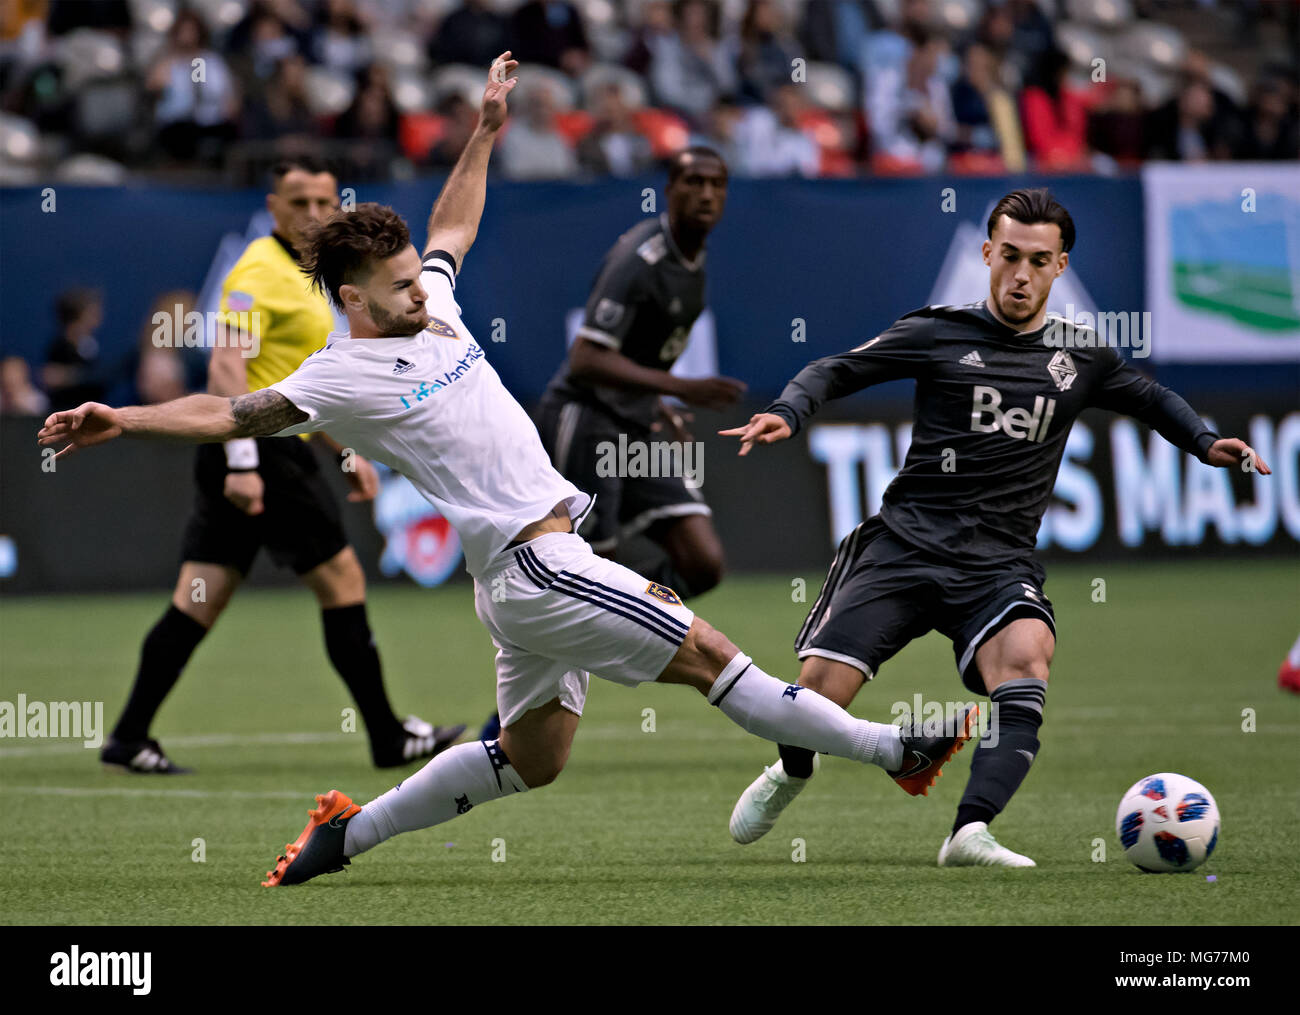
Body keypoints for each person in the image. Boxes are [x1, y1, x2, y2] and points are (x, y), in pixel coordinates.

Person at [38, 55, 973, 887]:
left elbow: (454, 225)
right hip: (539, 566)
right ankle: (894, 749)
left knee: (534, 758)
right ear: (353, 300)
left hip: (522, 576)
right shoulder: (339, 371)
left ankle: (346, 833)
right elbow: (227, 411)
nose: (423, 289)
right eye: (400, 286)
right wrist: (119, 416)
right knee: (710, 655)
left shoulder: (428, 303)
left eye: (417, 276)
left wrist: (483, 132)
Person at [719, 187, 1272, 867]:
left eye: (1038, 261)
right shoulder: (938, 331)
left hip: (996, 561)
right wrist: (791, 409)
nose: (1020, 274)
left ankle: (969, 830)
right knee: (815, 699)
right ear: (987, 253)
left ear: (1060, 266)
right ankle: (791, 773)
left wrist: (1205, 441)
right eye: (1009, 255)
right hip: (904, 544)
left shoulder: (1081, 358)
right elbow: (837, 367)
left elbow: (1152, 398)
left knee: (1028, 656)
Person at [94, 154, 464, 775]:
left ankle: (129, 737)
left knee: (198, 598)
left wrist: (343, 451)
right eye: (299, 203)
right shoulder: (256, 273)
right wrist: (242, 464)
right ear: (273, 208)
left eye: (325, 203)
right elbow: (227, 370)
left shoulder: (320, 275)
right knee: (341, 580)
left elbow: (302, 386)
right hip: (258, 455)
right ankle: (386, 736)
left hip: (271, 446)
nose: (314, 215)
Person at [538, 145, 739, 598]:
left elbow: (644, 355)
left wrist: (659, 404)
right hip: (587, 416)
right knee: (588, 563)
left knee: (702, 563)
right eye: (694, 182)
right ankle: (589, 629)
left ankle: (636, 619)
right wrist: (680, 387)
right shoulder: (641, 258)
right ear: (669, 191)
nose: (706, 194)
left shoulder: (694, 261)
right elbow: (586, 358)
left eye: (717, 184)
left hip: (636, 422)